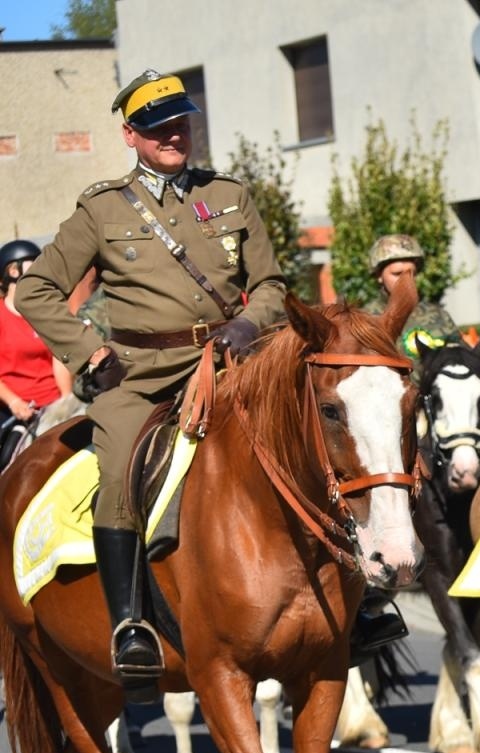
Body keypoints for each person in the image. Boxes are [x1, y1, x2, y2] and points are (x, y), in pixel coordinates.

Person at [15, 70, 286, 692]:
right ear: (130, 136)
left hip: (230, 364)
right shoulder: (103, 207)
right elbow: (36, 289)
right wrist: (89, 352)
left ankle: (363, 603)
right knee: (118, 471)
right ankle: (130, 623)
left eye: (181, 122)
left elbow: (271, 284)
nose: (174, 134)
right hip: (139, 377)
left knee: (317, 435)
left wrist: (248, 325)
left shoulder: (229, 196)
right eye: (158, 127)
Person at [0, 239, 72, 427]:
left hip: (53, 407)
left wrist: (66, 400)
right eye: (33, 261)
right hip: (14, 410)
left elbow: (60, 358)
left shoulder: (47, 311)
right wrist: (14, 402)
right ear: (13, 271)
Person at [366, 233, 460, 358]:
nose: (406, 280)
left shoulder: (439, 316)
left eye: (411, 273)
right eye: (397, 274)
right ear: (379, 276)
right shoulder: (364, 321)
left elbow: (463, 360)